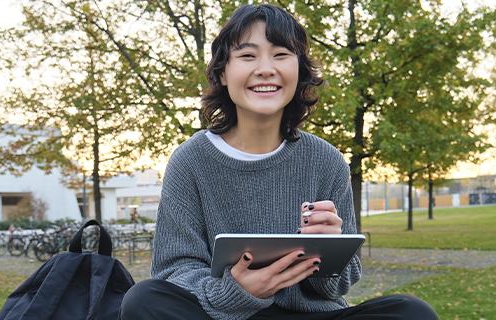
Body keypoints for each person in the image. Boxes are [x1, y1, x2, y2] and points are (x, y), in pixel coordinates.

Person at [119, 4, 437, 320]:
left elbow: (341, 285)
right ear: (223, 74)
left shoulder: (327, 161)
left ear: (299, 72)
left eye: (281, 54)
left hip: (311, 315)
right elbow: (174, 270)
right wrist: (236, 291)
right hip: (223, 315)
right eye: (247, 56)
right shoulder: (190, 161)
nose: (266, 68)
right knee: (143, 299)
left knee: (412, 312)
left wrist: (330, 250)